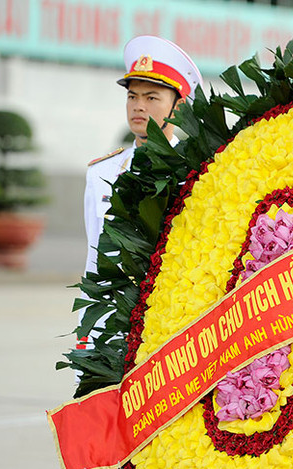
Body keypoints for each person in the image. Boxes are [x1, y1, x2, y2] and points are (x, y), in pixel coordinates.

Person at [79, 35, 202, 349]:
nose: (138, 106)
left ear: (179, 106)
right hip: (111, 325)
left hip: (172, 324)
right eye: (132, 96)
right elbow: (95, 257)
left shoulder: (198, 173)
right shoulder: (101, 173)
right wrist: (88, 333)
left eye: (151, 97)